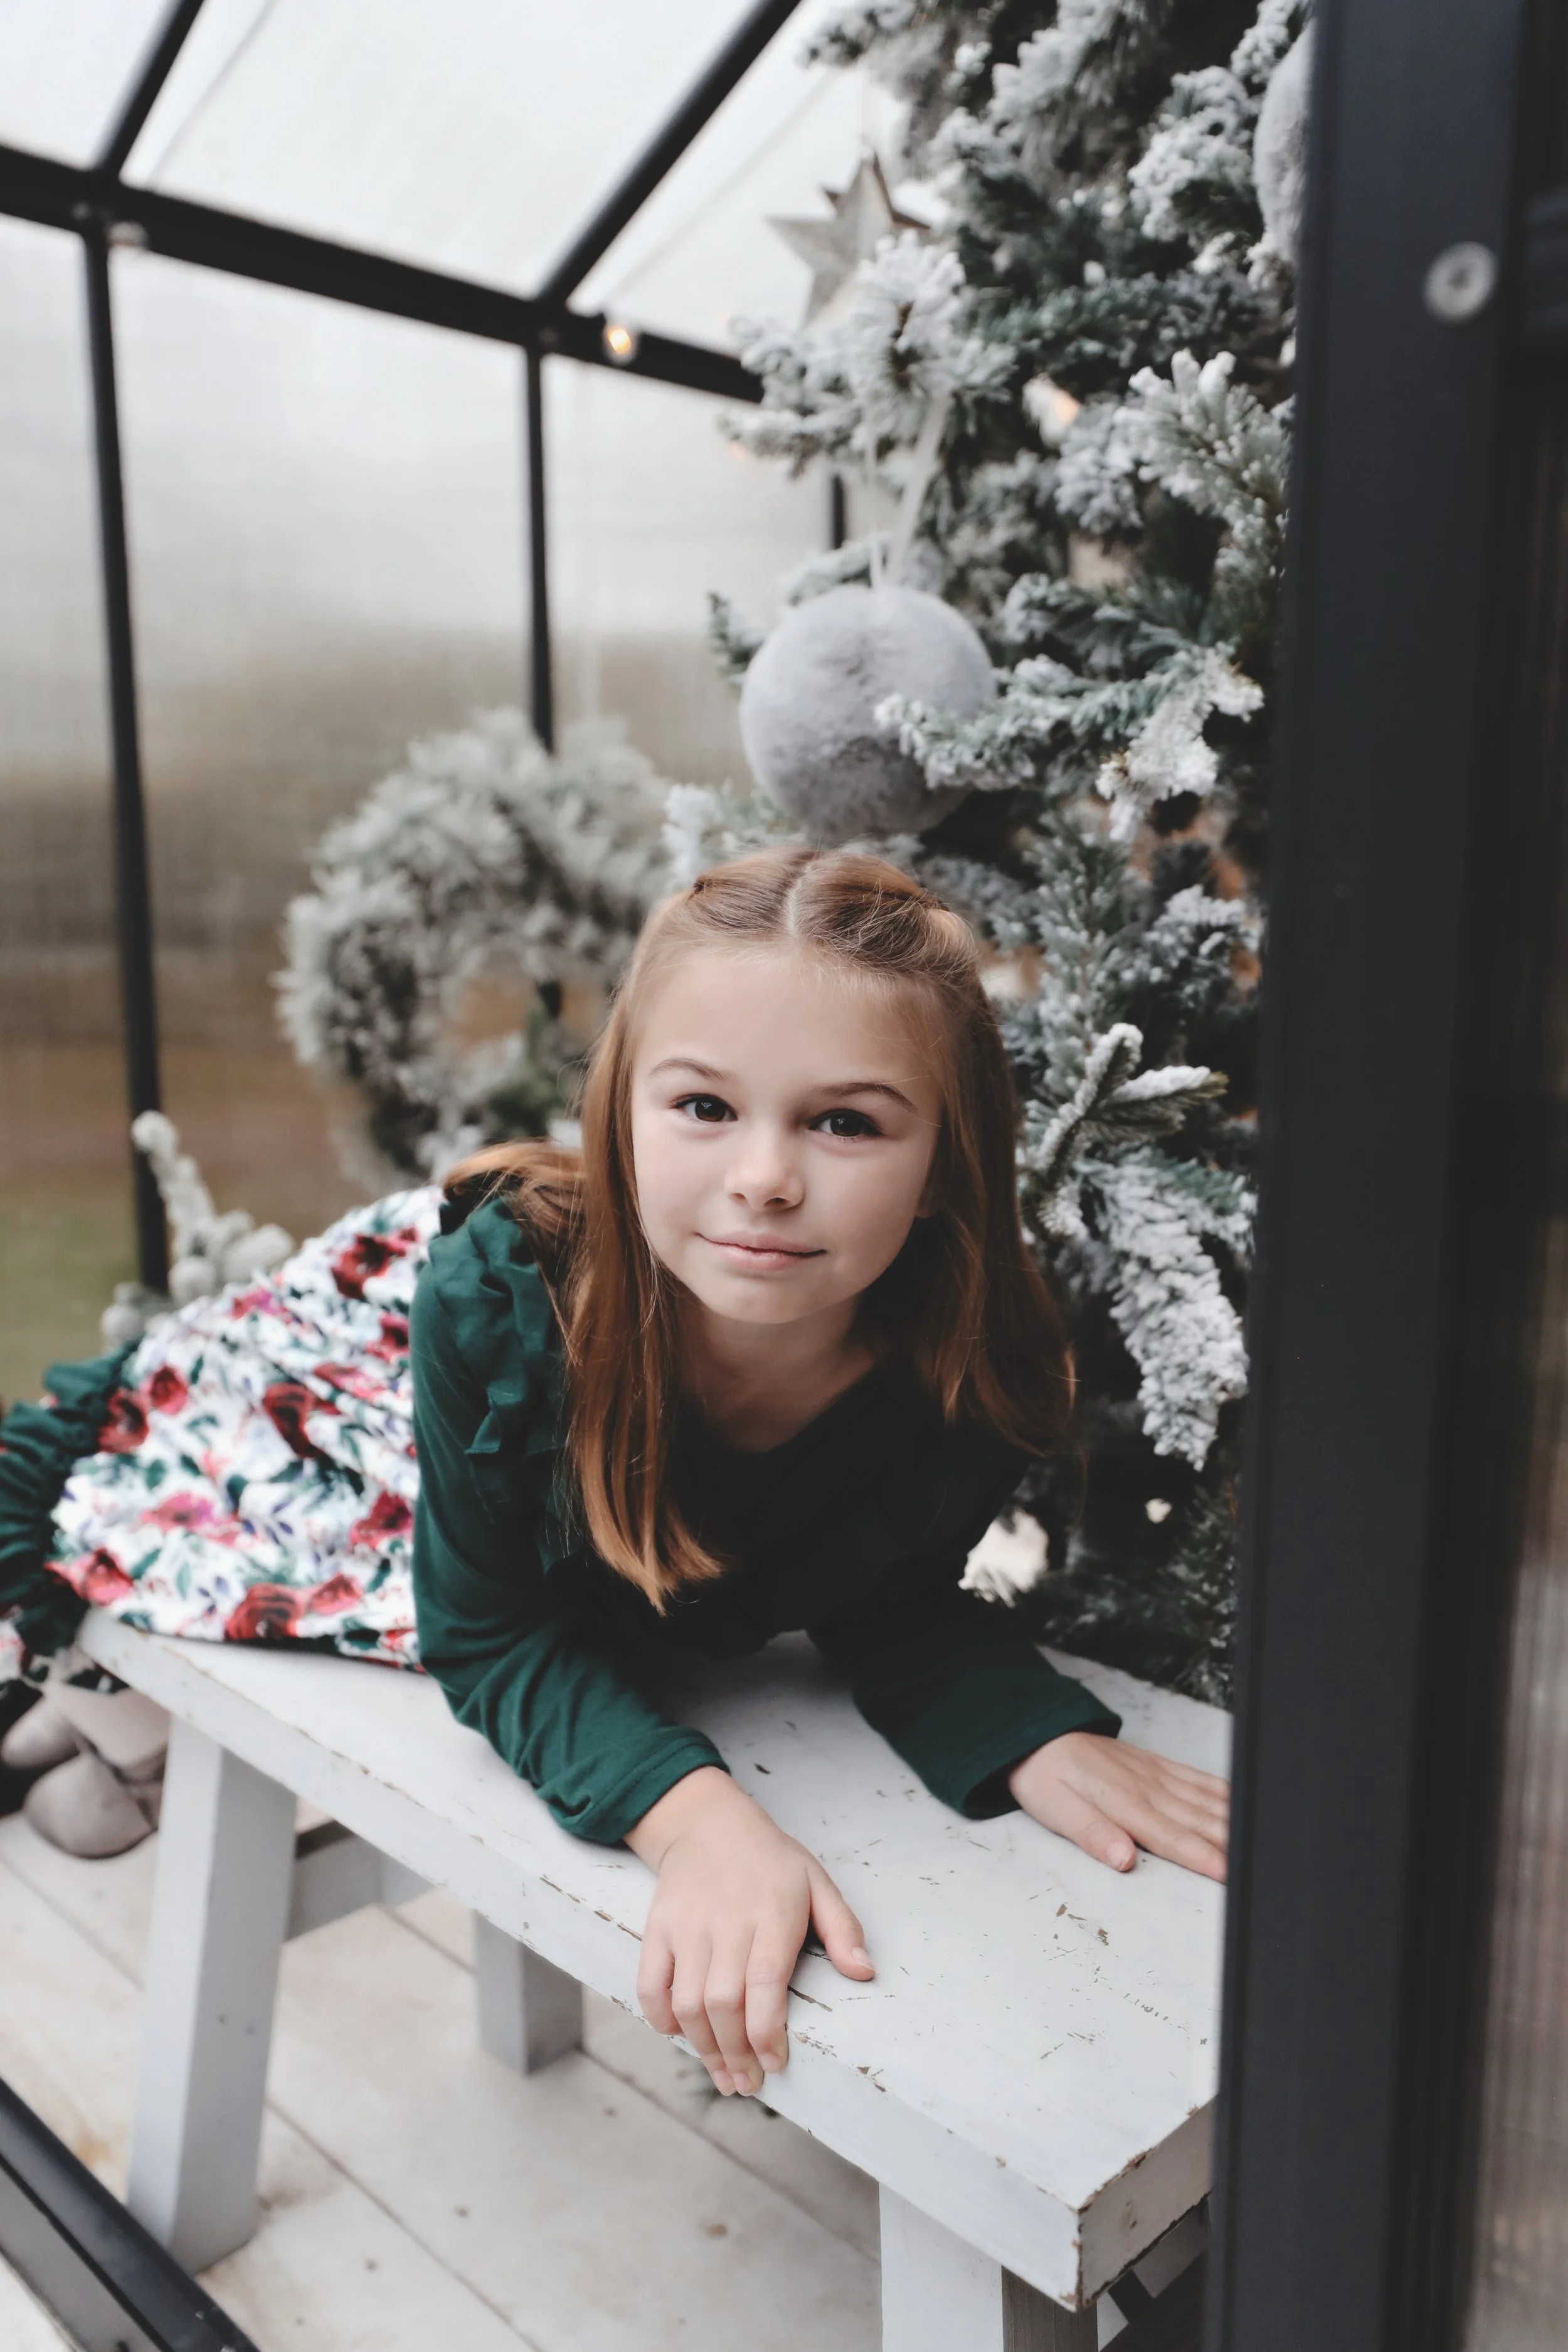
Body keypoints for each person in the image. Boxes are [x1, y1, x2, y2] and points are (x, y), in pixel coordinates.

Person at [411, 847, 1229, 2105]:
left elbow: (868, 1586)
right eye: (702, 1108)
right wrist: (695, 1821)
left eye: (843, 1122)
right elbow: (487, 1631)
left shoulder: (969, 1375)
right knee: (144, 1468)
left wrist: (1018, 1728)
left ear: (944, 1156)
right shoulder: (493, 1317)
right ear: (623, 1105)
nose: (762, 1179)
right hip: (390, 1372)